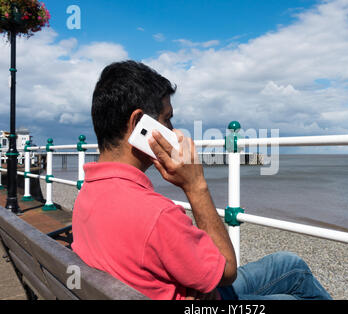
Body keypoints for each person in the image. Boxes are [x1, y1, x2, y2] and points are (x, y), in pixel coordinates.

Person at [72, 60, 332, 300]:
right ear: (139, 123)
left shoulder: (88, 192)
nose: (173, 131)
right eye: (167, 120)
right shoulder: (158, 215)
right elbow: (227, 270)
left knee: (290, 264)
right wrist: (195, 185)